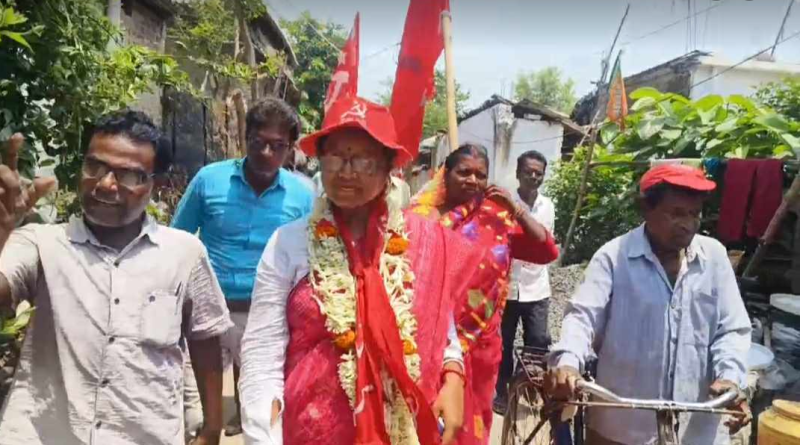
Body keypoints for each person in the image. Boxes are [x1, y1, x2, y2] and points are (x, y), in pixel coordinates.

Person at [239, 96, 484, 444]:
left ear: (389, 167)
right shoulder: (288, 244)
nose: (347, 171)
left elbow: (440, 325)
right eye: (336, 156)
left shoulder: (423, 240)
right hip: (312, 430)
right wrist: (262, 435)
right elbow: (262, 350)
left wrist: (454, 372)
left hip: (404, 428)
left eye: (364, 160)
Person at [0, 110, 232, 445]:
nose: (106, 184)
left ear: (157, 184)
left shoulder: (184, 253)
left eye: (129, 176)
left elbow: (204, 339)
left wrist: (211, 428)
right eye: (95, 167)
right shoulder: (41, 244)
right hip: (43, 434)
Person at [546, 164, 752, 445]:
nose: (688, 224)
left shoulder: (714, 257)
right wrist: (568, 364)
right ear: (645, 209)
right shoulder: (614, 257)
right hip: (621, 425)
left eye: (695, 214)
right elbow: (582, 317)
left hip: (696, 428)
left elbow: (732, 329)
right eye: (677, 213)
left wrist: (729, 377)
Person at [171, 97, 314, 436]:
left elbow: (313, 253)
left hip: (267, 316)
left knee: (259, 407)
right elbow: (177, 238)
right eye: (259, 142)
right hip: (207, 313)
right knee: (195, 413)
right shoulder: (210, 180)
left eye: (278, 146)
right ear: (244, 137)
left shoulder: (304, 194)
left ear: (291, 148)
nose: (267, 153)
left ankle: (239, 421)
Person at [408, 143, 559, 445]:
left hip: (481, 344)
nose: (472, 181)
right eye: (464, 172)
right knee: (425, 419)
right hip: (428, 338)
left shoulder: (496, 217)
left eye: (480, 175)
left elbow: (546, 250)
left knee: (472, 423)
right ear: (445, 173)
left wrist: (515, 209)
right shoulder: (418, 217)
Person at [494, 150, 556, 411]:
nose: (533, 176)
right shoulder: (502, 205)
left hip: (536, 286)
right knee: (503, 344)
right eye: (528, 171)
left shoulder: (547, 206)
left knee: (537, 343)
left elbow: (541, 240)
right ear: (518, 173)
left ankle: (528, 387)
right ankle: (502, 392)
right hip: (507, 287)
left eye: (538, 173)